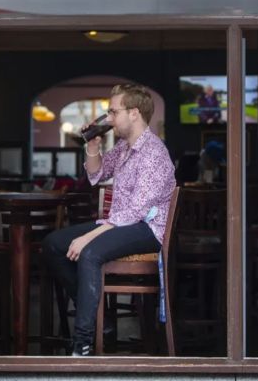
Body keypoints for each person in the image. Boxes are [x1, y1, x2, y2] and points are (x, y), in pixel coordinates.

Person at [42, 83, 176, 357]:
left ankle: (84, 342)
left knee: (89, 252)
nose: (110, 118)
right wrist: (92, 144)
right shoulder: (126, 147)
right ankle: (101, 320)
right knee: (53, 243)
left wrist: (89, 236)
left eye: (114, 112)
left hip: (147, 229)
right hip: (122, 223)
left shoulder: (153, 152)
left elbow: (136, 212)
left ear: (134, 113)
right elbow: (97, 174)